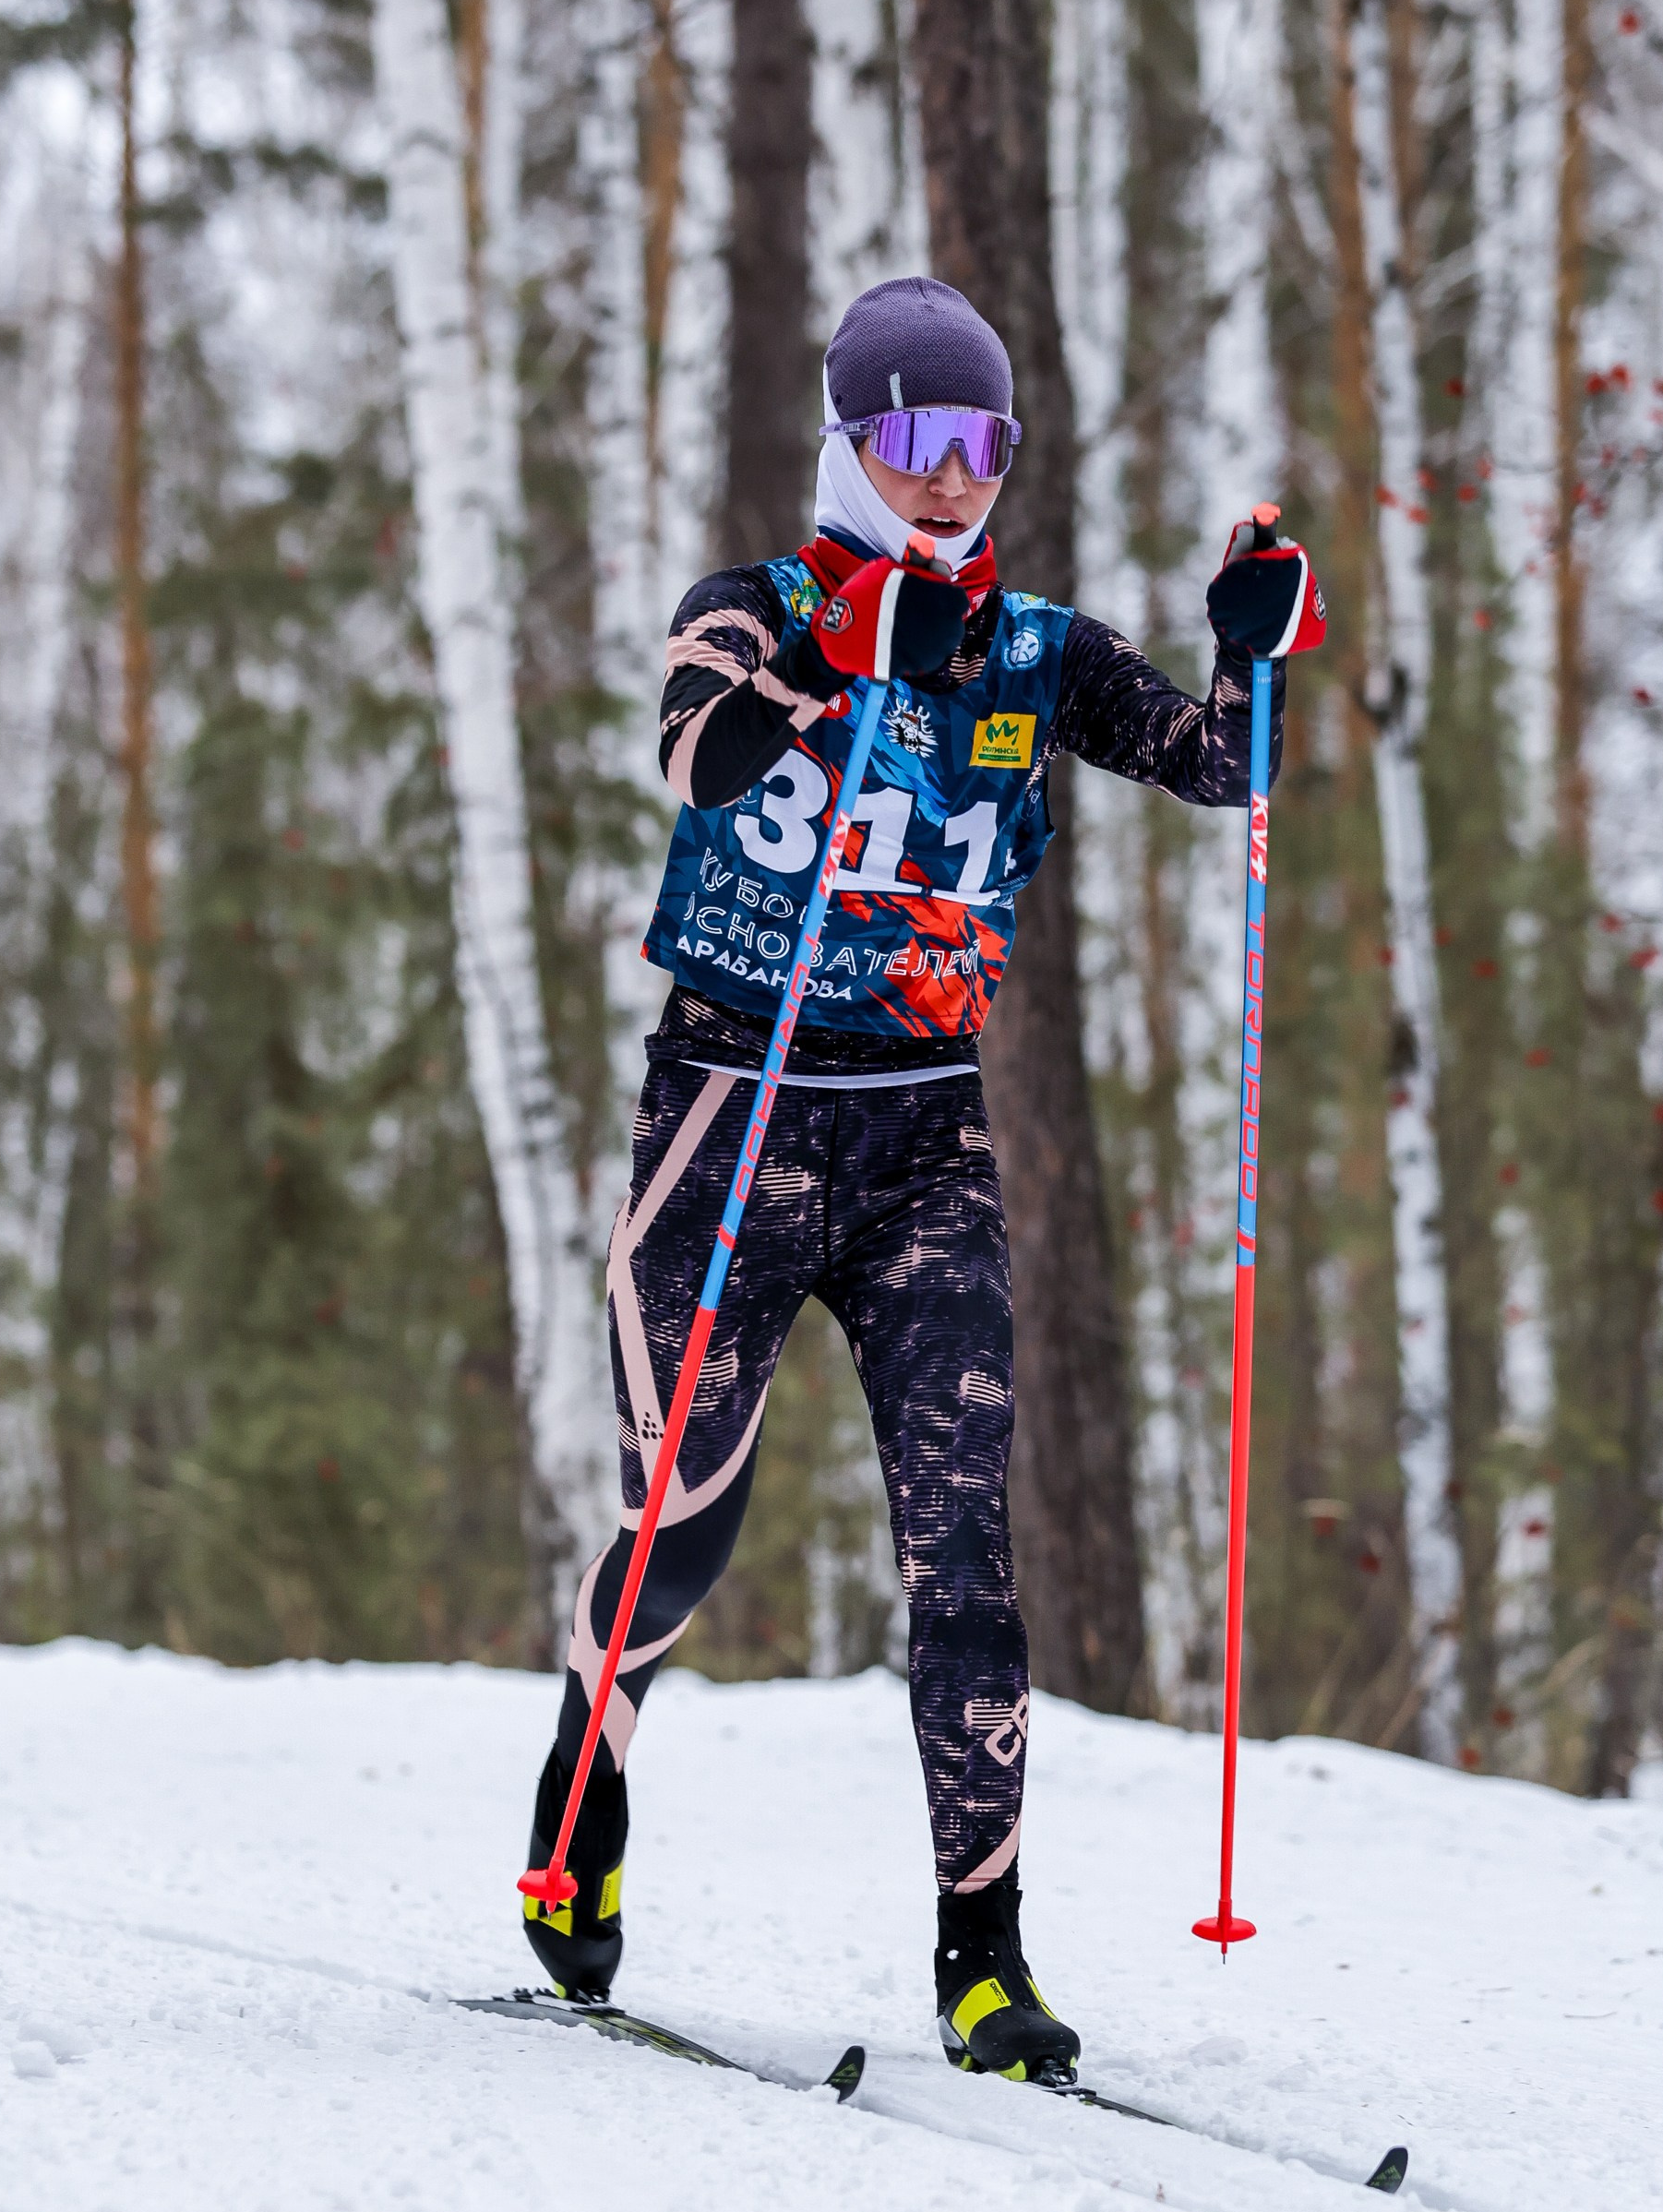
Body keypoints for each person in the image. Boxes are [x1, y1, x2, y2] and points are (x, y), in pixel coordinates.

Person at [521, 274, 1323, 2085]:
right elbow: (696, 758)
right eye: (913, 442)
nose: (949, 478)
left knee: (964, 1551)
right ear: (850, 440)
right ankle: (583, 1791)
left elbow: (1219, 767)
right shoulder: (755, 609)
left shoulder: (1030, 649)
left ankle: (985, 1958)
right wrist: (833, 658)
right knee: (684, 1524)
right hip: (732, 1115)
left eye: (981, 447)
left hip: (924, 1135)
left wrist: (1249, 646)